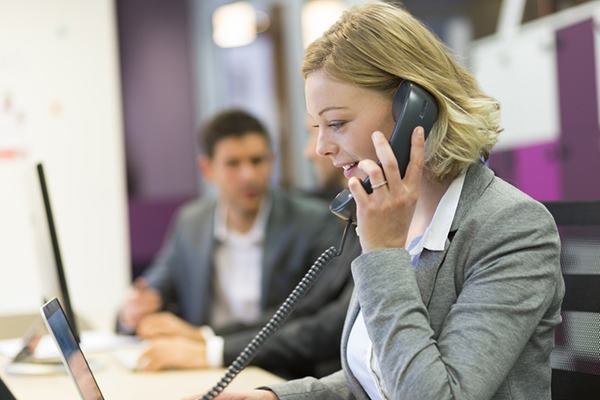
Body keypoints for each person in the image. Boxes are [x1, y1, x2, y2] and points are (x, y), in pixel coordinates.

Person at [181, 2, 565, 400]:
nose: (322, 147)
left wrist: (382, 254)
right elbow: (376, 379)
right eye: (317, 127)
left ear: (415, 110)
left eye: (336, 123)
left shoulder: (513, 229)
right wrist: (273, 398)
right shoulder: (393, 217)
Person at [117, 109, 352, 378]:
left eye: (257, 161)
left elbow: (315, 316)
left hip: (275, 371)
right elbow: (155, 286)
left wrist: (208, 342)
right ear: (207, 169)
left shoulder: (312, 221)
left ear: (272, 160)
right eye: (233, 164)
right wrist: (132, 312)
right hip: (202, 368)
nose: (248, 175)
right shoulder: (192, 222)